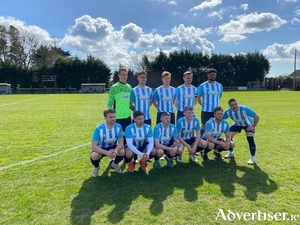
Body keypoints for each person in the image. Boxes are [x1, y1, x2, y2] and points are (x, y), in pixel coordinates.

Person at [223, 98, 260, 165]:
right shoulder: (228, 112)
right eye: (232, 105)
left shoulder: (244, 109)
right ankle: (231, 152)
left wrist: (253, 126)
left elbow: (257, 117)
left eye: (235, 104)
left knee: (250, 138)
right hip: (237, 124)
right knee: (228, 136)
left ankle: (252, 158)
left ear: (238, 103)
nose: (234, 106)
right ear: (229, 106)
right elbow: (221, 118)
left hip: (248, 124)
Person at [90, 109, 125, 177]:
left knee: (122, 152)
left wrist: (116, 150)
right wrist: (106, 153)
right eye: (110, 117)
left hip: (112, 147)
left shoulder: (118, 126)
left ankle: (115, 163)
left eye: (114, 117)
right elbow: (94, 146)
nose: (113, 119)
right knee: (94, 155)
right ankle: (97, 167)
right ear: (105, 118)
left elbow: (121, 142)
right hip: (101, 148)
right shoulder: (99, 128)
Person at [197, 68, 223, 136]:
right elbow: (198, 97)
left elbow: (219, 96)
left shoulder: (219, 85)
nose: (213, 76)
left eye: (214, 75)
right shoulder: (203, 86)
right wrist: (203, 105)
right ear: (208, 75)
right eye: (211, 75)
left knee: (215, 126)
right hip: (206, 110)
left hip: (216, 111)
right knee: (204, 126)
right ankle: (201, 141)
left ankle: (213, 141)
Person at [107, 67, 132, 133]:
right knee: (117, 136)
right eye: (123, 75)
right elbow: (110, 102)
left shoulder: (129, 87)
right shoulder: (114, 87)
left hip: (128, 117)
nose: (124, 77)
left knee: (127, 137)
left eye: (126, 75)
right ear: (119, 75)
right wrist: (110, 116)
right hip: (117, 117)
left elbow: (130, 102)